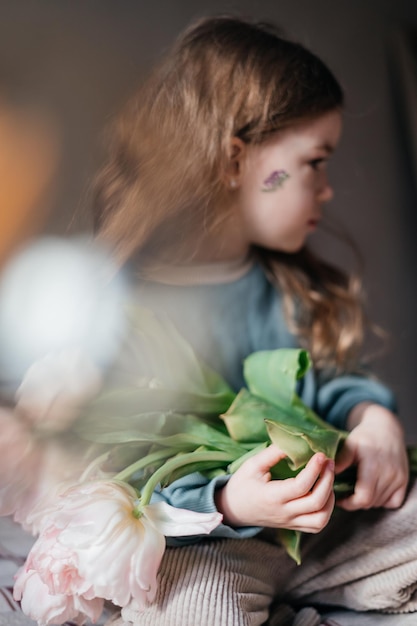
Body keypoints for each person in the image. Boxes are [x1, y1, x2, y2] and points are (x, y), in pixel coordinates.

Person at [92, 15, 410, 626]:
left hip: (321, 530)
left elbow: (332, 380)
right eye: (314, 162)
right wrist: (231, 502)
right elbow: (122, 471)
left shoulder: (283, 287)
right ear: (236, 161)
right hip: (207, 546)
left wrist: (374, 424)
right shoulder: (121, 308)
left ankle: (313, 593)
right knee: (195, 608)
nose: (327, 189)